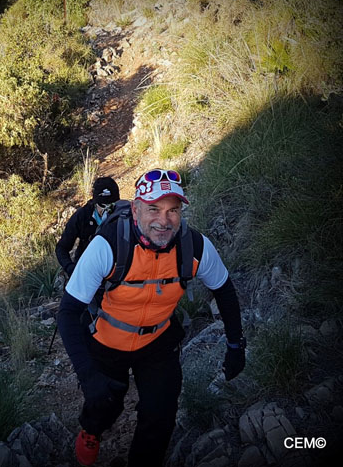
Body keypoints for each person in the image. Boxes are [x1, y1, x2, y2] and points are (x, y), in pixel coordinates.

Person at [57, 168, 246, 467]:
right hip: (107, 341)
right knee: (104, 405)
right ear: (135, 209)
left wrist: (236, 345)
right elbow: (68, 312)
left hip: (158, 342)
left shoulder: (194, 247)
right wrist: (88, 375)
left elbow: (223, 289)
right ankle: (91, 431)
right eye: (153, 209)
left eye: (173, 210)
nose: (163, 221)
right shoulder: (107, 246)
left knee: (160, 416)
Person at [56, 176, 121, 279]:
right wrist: (70, 268)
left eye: (111, 205)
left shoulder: (125, 216)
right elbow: (61, 248)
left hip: (116, 271)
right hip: (87, 269)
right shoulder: (82, 216)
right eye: (102, 205)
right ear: (95, 203)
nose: (107, 210)